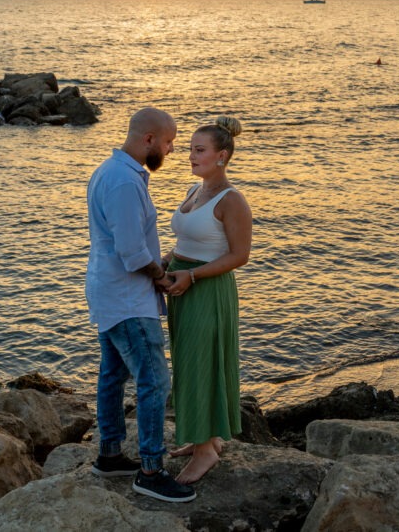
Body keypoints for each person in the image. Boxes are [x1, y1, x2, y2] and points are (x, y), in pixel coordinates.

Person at [85, 107, 196, 503]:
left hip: (110, 292)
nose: (170, 150)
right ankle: (150, 469)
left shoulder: (113, 172)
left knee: (113, 375)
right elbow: (131, 251)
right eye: (168, 142)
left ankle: (110, 455)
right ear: (149, 139)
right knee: (154, 380)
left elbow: (129, 243)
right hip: (128, 298)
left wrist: (160, 259)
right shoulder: (123, 182)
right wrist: (162, 277)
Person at [163, 115, 252, 485]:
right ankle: (208, 437)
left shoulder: (232, 200)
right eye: (189, 150)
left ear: (222, 155)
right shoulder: (194, 191)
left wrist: (193, 275)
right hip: (182, 286)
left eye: (199, 150)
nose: (190, 156)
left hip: (207, 289)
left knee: (202, 362)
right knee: (190, 362)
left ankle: (204, 453)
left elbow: (239, 256)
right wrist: (168, 259)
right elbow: (188, 241)